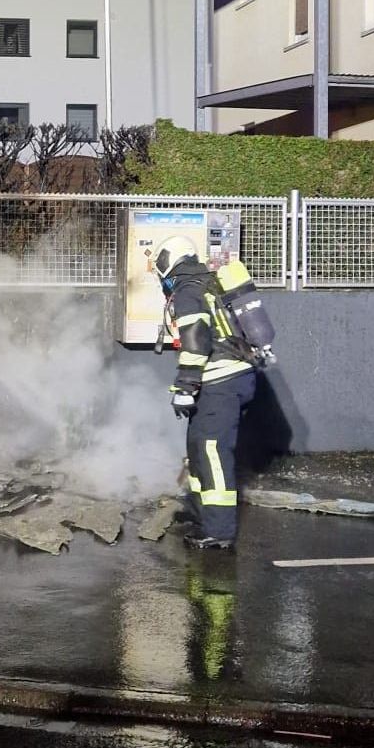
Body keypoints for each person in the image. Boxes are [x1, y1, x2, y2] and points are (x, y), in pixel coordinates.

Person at [152, 236, 257, 550]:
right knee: (198, 448)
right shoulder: (211, 282)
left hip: (220, 382)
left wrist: (185, 387)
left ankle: (219, 532)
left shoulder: (188, 289)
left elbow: (196, 341)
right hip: (230, 378)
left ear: (169, 262)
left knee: (211, 453)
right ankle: (203, 520)